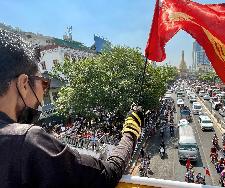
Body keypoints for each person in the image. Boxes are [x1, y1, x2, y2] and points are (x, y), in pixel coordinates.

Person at [0, 29, 144, 188]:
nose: (44, 93)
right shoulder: (27, 140)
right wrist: (131, 130)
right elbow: (106, 175)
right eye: (44, 83)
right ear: (24, 84)